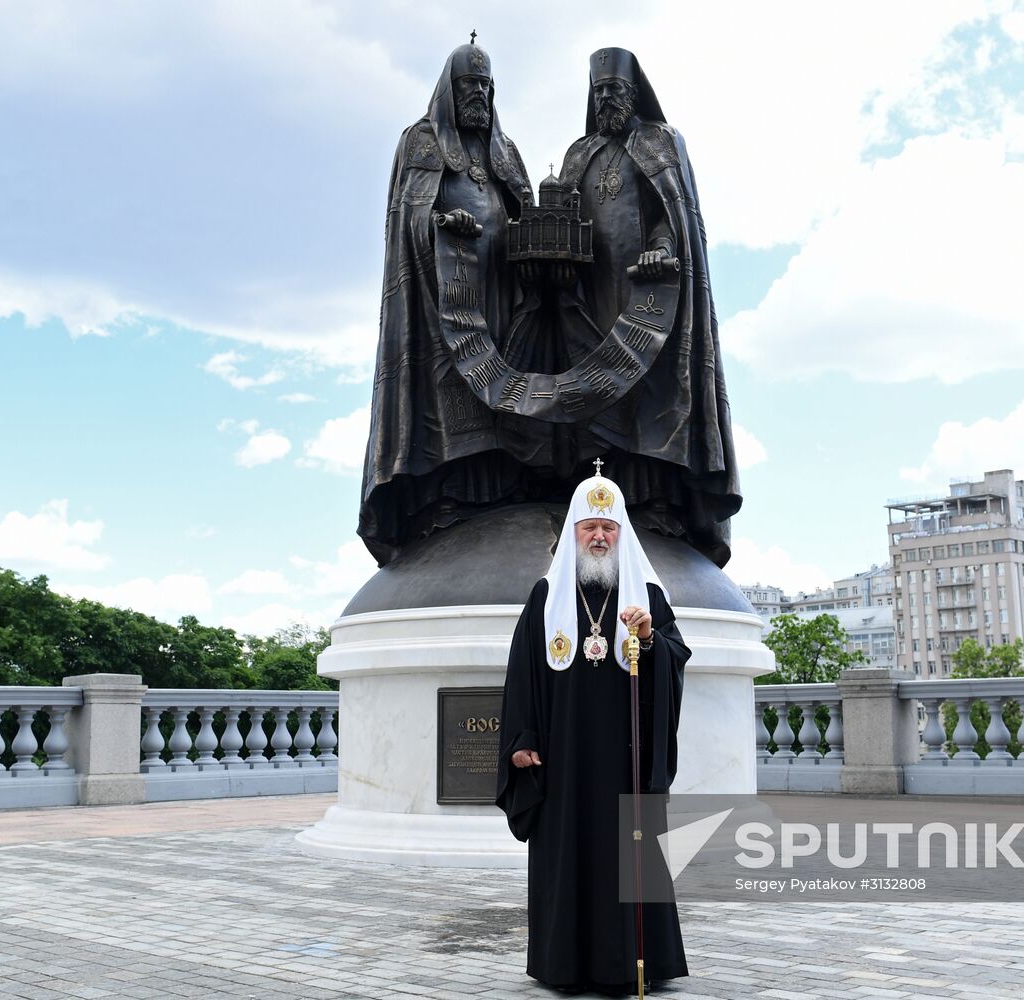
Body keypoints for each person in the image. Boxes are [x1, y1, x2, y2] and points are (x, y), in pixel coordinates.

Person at [495, 469, 690, 995]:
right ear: (573, 534)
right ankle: (567, 963)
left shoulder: (646, 595)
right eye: (589, 527)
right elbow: (522, 678)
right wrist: (521, 741)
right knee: (570, 855)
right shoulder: (546, 597)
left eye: (608, 527)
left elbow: (675, 659)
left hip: (628, 759)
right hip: (565, 761)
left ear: (621, 533)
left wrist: (649, 639)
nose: (599, 536)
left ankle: (634, 963)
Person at [359, 39, 553, 566]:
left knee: (505, 382)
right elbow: (409, 213)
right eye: (471, 85)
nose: (480, 95)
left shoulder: (505, 150)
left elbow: (523, 209)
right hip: (441, 293)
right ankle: (445, 497)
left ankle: (502, 486)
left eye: (487, 87)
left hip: (503, 293)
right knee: (447, 387)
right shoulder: (422, 141)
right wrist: (444, 224)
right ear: (450, 88)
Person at [551, 47, 742, 567]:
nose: (605, 98)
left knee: (653, 399)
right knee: (592, 396)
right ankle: (590, 499)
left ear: (634, 92)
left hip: (649, 296)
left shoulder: (661, 141)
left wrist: (662, 245)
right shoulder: (578, 153)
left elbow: (672, 214)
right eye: (598, 92)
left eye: (614, 89)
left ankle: (655, 503)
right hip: (589, 295)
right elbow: (560, 212)